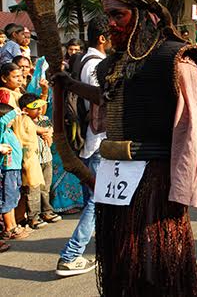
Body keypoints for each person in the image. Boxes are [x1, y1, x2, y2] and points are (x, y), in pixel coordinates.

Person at [54, 0, 197, 295]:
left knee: (156, 264)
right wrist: (70, 85)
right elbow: (111, 98)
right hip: (115, 176)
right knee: (122, 263)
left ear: (144, 14)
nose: (111, 23)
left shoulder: (175, 59)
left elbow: (196, 129)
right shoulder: (110, 67)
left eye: (119, 14)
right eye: (109, 16)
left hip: (156, 179)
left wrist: (183, 189)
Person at [56, 14, 110, 277]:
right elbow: (100, 101)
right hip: (99, 140)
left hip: (92, 141)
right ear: (102, 38)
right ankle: (71, 255)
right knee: (97, 199)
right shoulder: (95, 64)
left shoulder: (86, 60)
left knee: (94, 199)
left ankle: (103, 243)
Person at [18, 93, 60, 229]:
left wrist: (48, 134)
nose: (39, 110)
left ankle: (46, 212)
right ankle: (33, 217)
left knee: (45, 188)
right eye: (35, 108)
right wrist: (44, 132)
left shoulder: (45, 119)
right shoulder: (23, 121)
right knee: (33, 190)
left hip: (46, 158)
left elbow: (50, 133)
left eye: (40, 107)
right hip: (32, 161)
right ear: (25, 110)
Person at [0, 103, 29, 240]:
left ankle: (12, 226)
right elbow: (2, 122)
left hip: (14, 169)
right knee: (8, 198)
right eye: (10, 117)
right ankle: (10, 227)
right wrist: (14, 112)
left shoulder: (9, 131)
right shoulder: (2, 130)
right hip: (7, 170)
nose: (13, 120)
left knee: (13, 197)